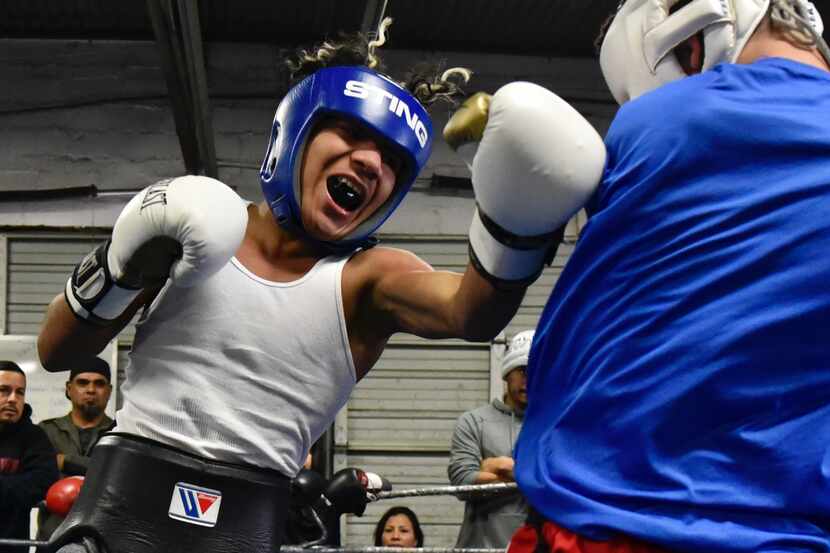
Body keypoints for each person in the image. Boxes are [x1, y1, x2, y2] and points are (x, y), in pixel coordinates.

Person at [35, 16, 605, 553]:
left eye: (391, 161)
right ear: (294, 136)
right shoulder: (193, 224)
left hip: (244, 525)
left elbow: (470, 312)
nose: (369, 163)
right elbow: (57, 351)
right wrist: (119, 263)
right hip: (118, 512)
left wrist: (517, 226)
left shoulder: (368, 279)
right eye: (352, 134)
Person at [454, 1, 829, 552]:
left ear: (688, 44)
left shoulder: (657, 122)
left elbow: (476, 314)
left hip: (615, 520)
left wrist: (501, 236)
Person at [448, 330, 532, 549]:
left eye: (538, 371)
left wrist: (498, 465)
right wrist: (531, 477)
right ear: (507, 373)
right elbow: (462, 480)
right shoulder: (474, 421)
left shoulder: (554, 426)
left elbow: (560, 482)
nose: (529, 379)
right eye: (522, 370)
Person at [37, 358, 114, 540]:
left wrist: (65, 461)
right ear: (69, 388)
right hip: (52, 537)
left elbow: (116, 474)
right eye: (82, 382)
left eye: (99, 384)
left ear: (109, 391)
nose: (90, 390)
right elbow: (37, 478)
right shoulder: (46, 431)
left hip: (103, 538)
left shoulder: (121, 435)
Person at [0, 361, 59, 552]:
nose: (12, 399)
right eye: (3, 390)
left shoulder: (34, 437)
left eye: (20, 392)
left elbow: (43, 481)